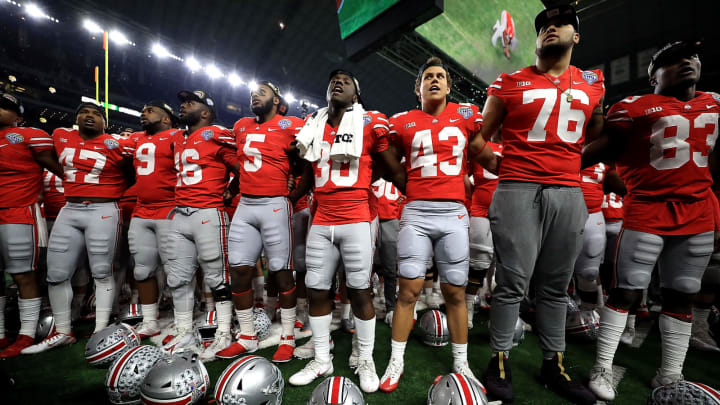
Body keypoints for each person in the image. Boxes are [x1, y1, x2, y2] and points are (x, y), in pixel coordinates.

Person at [469, 4, 604, 403]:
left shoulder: (593, 84)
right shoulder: (509, 81)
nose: (550, 28)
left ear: (575, 37)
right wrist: (500, 164)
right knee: (512, 281)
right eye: (544, 24)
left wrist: (571, 163)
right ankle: (499, 359)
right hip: (517, 189)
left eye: (560, 24)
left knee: (555, 286)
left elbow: (596, 131)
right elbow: (479, 138)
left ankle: (554, 363)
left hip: (568, 191)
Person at [585, 40, 719, 400]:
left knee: (682, 295)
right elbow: (597, 151)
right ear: (654, 75)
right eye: (673, 61)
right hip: (648, 209)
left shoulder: (715, 103)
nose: (686, 63)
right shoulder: (633, 108)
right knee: (627, 289)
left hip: (698, 212)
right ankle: (602, 366)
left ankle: (670, 373)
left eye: (690, 57)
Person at [380, 56, 496, 392]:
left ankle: (461, 363)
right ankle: (396, 359)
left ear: (448, 86)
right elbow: (385, 156)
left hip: (453, 213)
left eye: (440, 76)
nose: (434, 80)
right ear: (418, 88)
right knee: (408, 292)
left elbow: (484, 155)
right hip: (416, 212)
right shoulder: (402, 121)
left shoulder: (465, 116)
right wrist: (406, 183)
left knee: (455, 292)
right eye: (428, 76)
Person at [288, 69, 404, 392]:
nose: (337, 82)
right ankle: (322, 359)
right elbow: (310, 174)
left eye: (346, 81)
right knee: (316, 287)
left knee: (359, 290)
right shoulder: (313, 124)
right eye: (332, 80)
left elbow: (391, 167)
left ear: (355, 96)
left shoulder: (368, 122)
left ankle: (365, 358)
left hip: (357, 216)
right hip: (323, 217)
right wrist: (293, 196)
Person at [24, 102, 136, 354]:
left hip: (103, 209)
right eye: (84, 112)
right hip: (70, 208)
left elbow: (131, 174)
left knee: (101, 271)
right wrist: (68, 178)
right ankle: (63, 330)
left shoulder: (115, 144)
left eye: (97, 114)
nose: (89, 116)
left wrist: (112, 189)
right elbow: (45, 159)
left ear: (105, 123)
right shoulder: (61, 136)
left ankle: (101, 330)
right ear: (76, 118)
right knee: (56, 272)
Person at [216, 82, 304, 362]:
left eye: (262, 92)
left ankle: (288, 336)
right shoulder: (241, 125)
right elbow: (245, 162)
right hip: (246, 204)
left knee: (281, 271)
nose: (255, 96)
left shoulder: (291, 124)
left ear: (277, 100)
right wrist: (233, 183)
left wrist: (294, 171)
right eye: (253, 93)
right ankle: (247, 336)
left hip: (275, 203)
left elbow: (308, 157)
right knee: (239, 270)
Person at [160, 90, 237, 361]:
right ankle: (184, 330)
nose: (183, 106)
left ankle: (224, 332)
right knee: (177, 277)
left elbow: (241, 167)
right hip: (180, 213)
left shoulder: (217, 133)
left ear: (205, 112)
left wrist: (231, 190)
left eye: (190, 102)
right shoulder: (179, 139)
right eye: (183, 101)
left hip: (208, 212)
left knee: (218, 277)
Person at [0, 92, 63, 357]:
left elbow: (62, 169)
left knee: (23, 274)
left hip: (18, 211)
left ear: (19, 116)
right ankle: (1, 334)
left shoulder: (29, 135)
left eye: (5, 107)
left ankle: (25, 333)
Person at [124, 100, 179, 338]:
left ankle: (182, 319)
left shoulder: (178, 136)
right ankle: (149, 321)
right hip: (141, 210)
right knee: (142, 270)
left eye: (150, 111)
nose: (143, 113)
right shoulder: (135, 138)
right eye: (142, 110)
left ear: (166, 118)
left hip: (170, 208)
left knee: (177, 270)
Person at [467, 139, 503, 328]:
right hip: (481, 207)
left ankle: (502, 316)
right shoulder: (479, 145)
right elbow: (464, 175)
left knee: (506, 267)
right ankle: (467, 309)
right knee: (478, 263)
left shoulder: (517, 144)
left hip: (510, 210)